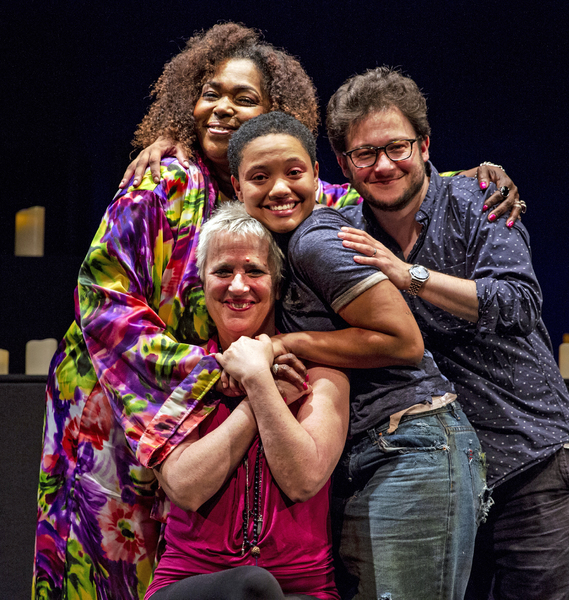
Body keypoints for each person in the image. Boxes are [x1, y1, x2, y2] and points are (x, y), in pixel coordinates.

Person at [33, 23, 323, 600]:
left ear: (274, 114)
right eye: (210, 91)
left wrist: (453, 185)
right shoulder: (162, 179)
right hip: (115, 403)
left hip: (204, 404)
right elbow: (103, 299)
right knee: (111, 555)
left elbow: (357, 194)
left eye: (244, 99)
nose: (220, 108)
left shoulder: (263, 186)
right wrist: (216, 370)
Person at [325, 66, 569, 600]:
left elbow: (518, 301)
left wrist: (410, 277)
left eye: (396, 147)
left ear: (424, 145)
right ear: (344, 165)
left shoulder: (480, 202)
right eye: (364, 154)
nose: (383, 165)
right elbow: (278, 189)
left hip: (527, 456)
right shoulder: (344, 231)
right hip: (435, 475)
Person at [226, 111, 488, 600]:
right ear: (236, 187)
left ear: (317, 173)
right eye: (260, 177)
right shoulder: (280, 247)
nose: (280, 188)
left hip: (411, 445)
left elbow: (403, 342)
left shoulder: (314, 241)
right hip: (376, 451)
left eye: (294, 172)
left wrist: (287, 344)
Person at [144, 202, 349, 600]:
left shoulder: (323, 373)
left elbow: (304, 479)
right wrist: (260, 389)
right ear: (202, 283)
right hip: (192, 582)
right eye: (223, 271)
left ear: (277, 283)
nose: (238, 286)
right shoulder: (177, 373)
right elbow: (185, 488)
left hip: (305, 587)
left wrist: (256, 379)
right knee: (250, 585)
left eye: (254, 271)